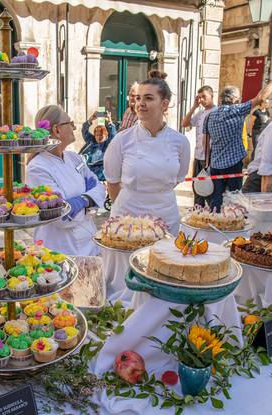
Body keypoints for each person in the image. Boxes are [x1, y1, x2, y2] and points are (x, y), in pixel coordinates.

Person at [103, 70, 190, 301]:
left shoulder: (180, 142)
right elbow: (112, 181)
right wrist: (124, 213)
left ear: (165, 104)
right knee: (125, 280)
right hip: (128, 218)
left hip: (166, 215)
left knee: (162, 272)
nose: (140, 103)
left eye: (148, 98)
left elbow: (180, 176)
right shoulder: (122, 140)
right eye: (138, 98)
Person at [26, 105, 105, 256]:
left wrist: (79, 202)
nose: (74, 127)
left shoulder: (74, 158)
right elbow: (60, 215)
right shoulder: (37, 168)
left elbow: (100, 188)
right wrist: (89, 199)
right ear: (57, 130)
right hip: (60, 252)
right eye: (70, 122)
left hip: (90, 245)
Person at [203, 72, 272, 211]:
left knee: (216, 198)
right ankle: (232, 223)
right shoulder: (237, 110)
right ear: (235, 99)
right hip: (233, 164)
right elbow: (261, 97)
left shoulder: (210, 116)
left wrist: (207, 163)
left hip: (215, 164)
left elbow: (205, 142)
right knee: (234, 200)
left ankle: (214, 220)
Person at [182, 85, 216, 207]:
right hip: (198, 155)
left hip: (210, 156)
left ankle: (212, 212)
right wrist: (194, 106)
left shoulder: (216, 112)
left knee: (208, 189)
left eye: (204, 97)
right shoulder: (200, 113)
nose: (201, 100)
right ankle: (197, 211)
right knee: (196, 187)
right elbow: (184, 123)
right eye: (199, 97)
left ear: (212, 96)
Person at [81, 110, 117, 181]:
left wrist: (109, 121)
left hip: (99, 173)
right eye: (96, 135)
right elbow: (84, 131)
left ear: (106, 135)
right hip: (87, 170)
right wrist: (91, 119)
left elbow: (113, 135)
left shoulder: (107, 144)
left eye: (101, 135)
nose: (98, 137)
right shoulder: (92, 141)